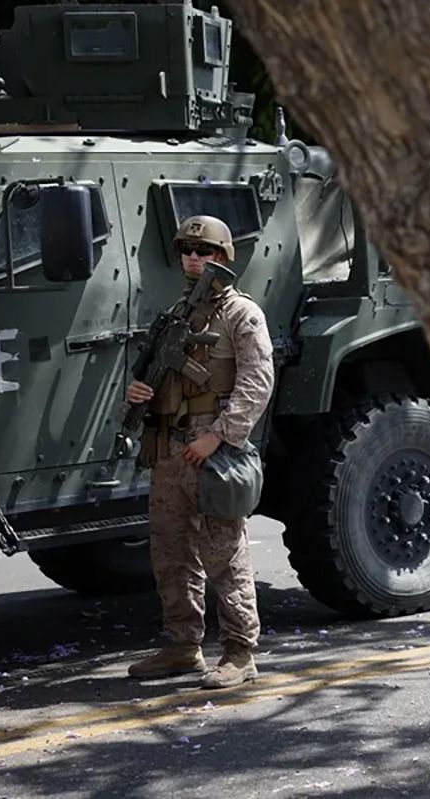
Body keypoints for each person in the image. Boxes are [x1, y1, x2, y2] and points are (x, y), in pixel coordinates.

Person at [125, 215, 275, 689]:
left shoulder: (241, 314)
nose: (194, 258)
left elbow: (258, 382)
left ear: (223, 257)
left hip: (213, 447)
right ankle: (182, 645)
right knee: (170, 551)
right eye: (187, 250)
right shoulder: (177, 314)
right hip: (170, 446)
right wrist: (139, 393)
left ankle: (239, 650)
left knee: (224, 552)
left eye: (204, 251)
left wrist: (220, 436)